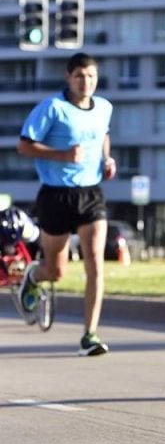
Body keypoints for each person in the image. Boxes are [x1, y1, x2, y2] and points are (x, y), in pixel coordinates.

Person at [17, 52, 116, 356]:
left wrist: (106, 159)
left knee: (95, 265)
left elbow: (103, 136)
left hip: (91, 194)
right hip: (56, 195)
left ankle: (90, 335)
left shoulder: (104, 107)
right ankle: (34, 276)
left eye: (91, 76)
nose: (86, 82)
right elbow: (24, 146)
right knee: (56, 271)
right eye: (80, 76)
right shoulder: (52, 108)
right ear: (68, 78)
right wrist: (62, 156)